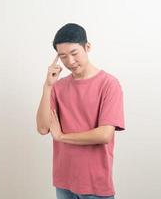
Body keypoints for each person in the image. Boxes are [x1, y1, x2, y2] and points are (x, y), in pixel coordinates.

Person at [36, 23, 125, 199]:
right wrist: (47, 87)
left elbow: (104, 135)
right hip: (64, 181)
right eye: (63, 56)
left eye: (74, 53)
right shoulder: (58, 87)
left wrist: (62, 137)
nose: (70, 61)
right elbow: (42, 128)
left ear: (88, 47)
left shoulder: (109, 84)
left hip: (95, 184)